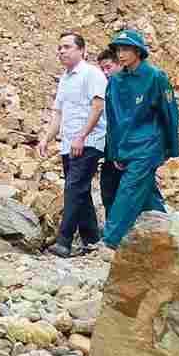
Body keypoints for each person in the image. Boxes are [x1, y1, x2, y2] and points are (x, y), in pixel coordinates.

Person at [97, 28, 179, 253]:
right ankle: (172, 236)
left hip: (148, 145)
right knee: (148, 194)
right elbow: (113, 120)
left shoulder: (155, 77)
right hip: (126, 146)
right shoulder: (115, 81)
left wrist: (170, 149)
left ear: (138, 52)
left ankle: (110, 240)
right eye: (118, 50)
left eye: (126, 49)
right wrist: (114, 153)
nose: (121, 54)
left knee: (129, 190)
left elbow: (169, 114)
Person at [36, 33, 106, 258]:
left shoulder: (91, 74)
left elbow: (98, 106)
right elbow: (58, 113)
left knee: (73, 188)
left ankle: (64, 241)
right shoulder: (65, 79)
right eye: (59, 48)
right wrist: (47, 138)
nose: (61, 51)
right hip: (69, 143)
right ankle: (92, 240)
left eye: (67, 47)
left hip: (89, 140)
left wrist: (82, 136)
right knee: (80, 191)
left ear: (81, 50)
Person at [95, 50, 123, 218]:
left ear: (119, 64)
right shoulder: (106, 89)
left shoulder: (130, 88)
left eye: (108, 67)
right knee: (108, 191)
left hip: (128, 152)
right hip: (109, 152)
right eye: (102, 69)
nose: (105, 72)